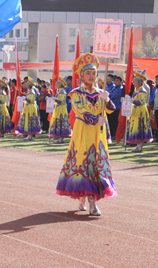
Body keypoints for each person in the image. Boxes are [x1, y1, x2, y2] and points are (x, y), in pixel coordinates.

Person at [55, 53, 117, 216]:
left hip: (98, 134)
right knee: (85, 163)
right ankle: (91, 203)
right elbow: (80, 111)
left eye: (94, 73)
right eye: (88, 73)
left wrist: (107, 99)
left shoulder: (100, 92)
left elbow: (111, 109)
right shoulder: (76, 93)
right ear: (81, 74)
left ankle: (87, 199)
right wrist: (96, 118)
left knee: (97, 165)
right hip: (83, 133)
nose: (91, 76)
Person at [126, 71, 153, 152]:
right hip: (135, 110)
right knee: (136, 127)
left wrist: (132, 101)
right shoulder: (136, 90)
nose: (133, 82)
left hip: (141, 111)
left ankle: (140, 146)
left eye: (135, 81)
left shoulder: (143, 91)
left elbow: (142, 102)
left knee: (140, 127)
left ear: (139, 82)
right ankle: (138, 145)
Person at [48, 77, 72, 143]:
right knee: (58, 122)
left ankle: (61, 139)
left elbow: (62, 101)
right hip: (58, 108)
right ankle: (59, 138)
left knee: (61, 122)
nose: (55, 85)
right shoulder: (59, 92)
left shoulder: (63, 92)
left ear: (59, 85)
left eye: (56, 84)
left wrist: (54, 99)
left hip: (61, 109)